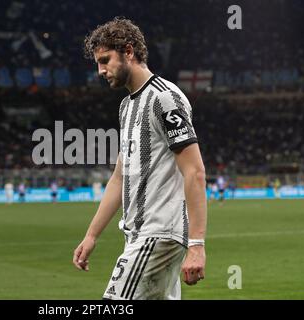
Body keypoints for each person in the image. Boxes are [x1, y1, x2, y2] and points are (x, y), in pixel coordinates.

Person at [73, 18, 207, 300]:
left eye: (105, 60)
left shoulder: (165, 99)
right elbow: (120, 176)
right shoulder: (127, 106)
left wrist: (196, 244)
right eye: (98, 63)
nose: (100, 70)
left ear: (129, 52)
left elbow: (194, 171)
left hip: (158, 232)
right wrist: (91, 235)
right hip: (139, 235)